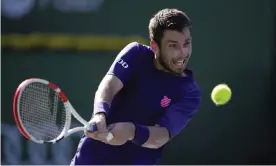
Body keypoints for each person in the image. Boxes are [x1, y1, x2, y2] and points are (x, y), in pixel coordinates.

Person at [70, 8, 201, 165]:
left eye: (186, 44)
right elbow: (109, 86)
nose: (183, 53)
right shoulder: (136, 53)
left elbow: (161, 136)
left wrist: (131, 131)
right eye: (173, 46)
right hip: (89, 159)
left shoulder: (189, 92)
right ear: (155, 46)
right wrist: (99, 113)